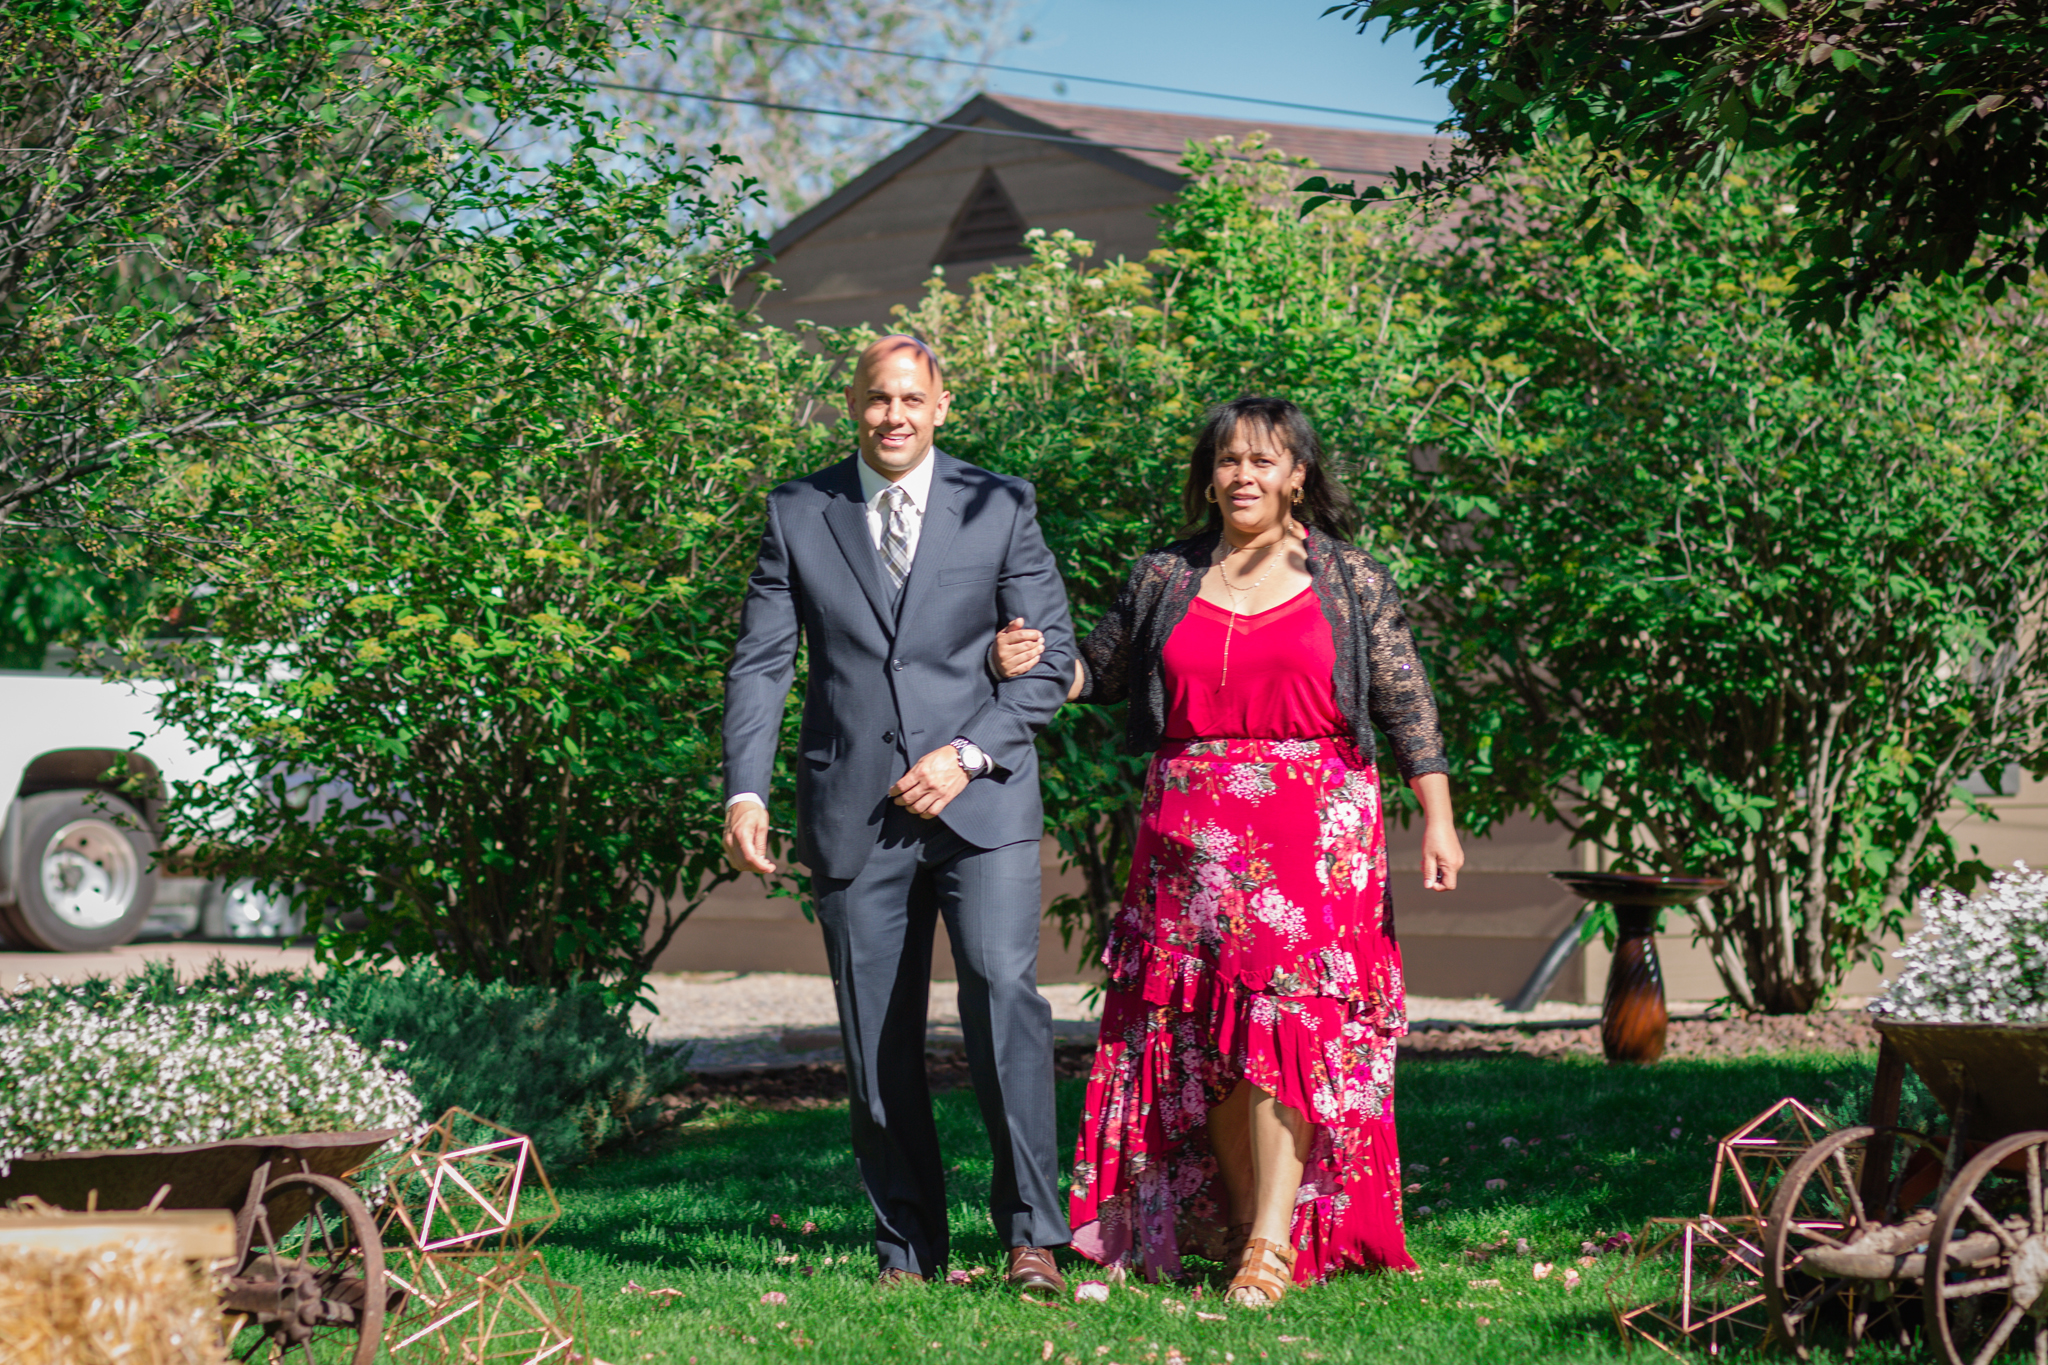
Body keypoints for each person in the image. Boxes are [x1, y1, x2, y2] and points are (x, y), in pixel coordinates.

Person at [993, 395, 1462, 1303]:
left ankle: (1270, 1246)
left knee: (1289, 1025)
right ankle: (1249, 1224)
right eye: (1227, 461)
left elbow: (1407, 699)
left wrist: (1436, 815)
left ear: (1297, 476)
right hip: (1186, 837)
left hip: (1315, 833)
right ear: (1209, 476)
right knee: (1206, 1036)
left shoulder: (1348, 576)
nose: (1242, 475)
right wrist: (1037, 657)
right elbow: (1101, 669)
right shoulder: (1165, 572)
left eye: (1263, 461)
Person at [721, 335, 1080, 1294]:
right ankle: (907, 1249)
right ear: (853, 404)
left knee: (1005, 998)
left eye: (911, 398)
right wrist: (744, 788)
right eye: (878, 398)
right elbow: (763, 663)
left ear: (941, 405)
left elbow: (1049, 662)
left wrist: (967, 753)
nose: (894, 415)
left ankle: (1032, 1238)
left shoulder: (1001, 504)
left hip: (983, 800)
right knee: (876, 1034)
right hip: (854, 809)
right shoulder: (801, 510)